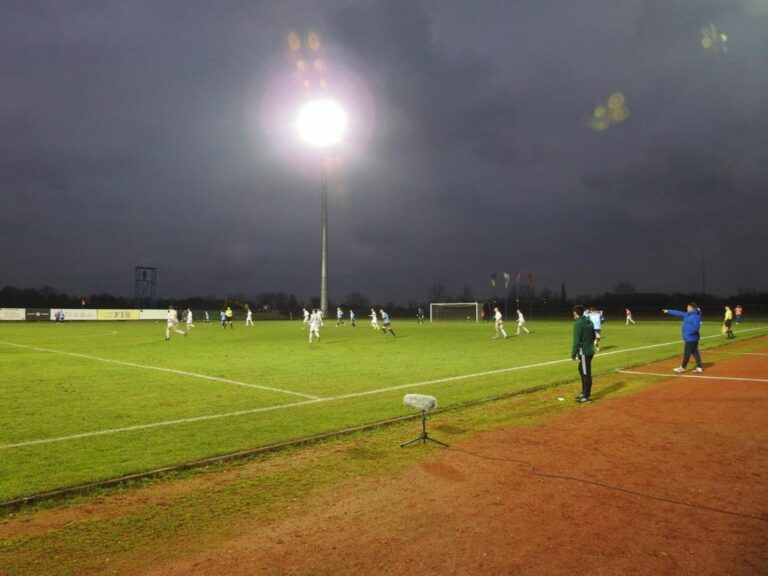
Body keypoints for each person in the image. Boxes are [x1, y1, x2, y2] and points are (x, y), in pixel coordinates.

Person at [663, 304, 703, 373]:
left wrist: (688, 333)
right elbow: (678, 313)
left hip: (691, 338)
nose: (687, 308)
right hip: (691, 338)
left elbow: (696, 328)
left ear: (692, 308)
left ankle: (682, 367)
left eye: (688, 307)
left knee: (687, 353)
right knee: (695, 352)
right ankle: (699, 367)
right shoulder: (687, 314)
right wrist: (668, 311)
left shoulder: (696, 316)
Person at [571, 305, 596, 403]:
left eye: (573, 312)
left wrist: (573, 354)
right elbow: (594, 336)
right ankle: (584, 392)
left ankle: (586, 396)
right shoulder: (589, 321)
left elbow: (576, 341)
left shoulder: (578, 323)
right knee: (581, 369)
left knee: (586, 374)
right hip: (590, 350)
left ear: (575, 313)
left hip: (585, 352)